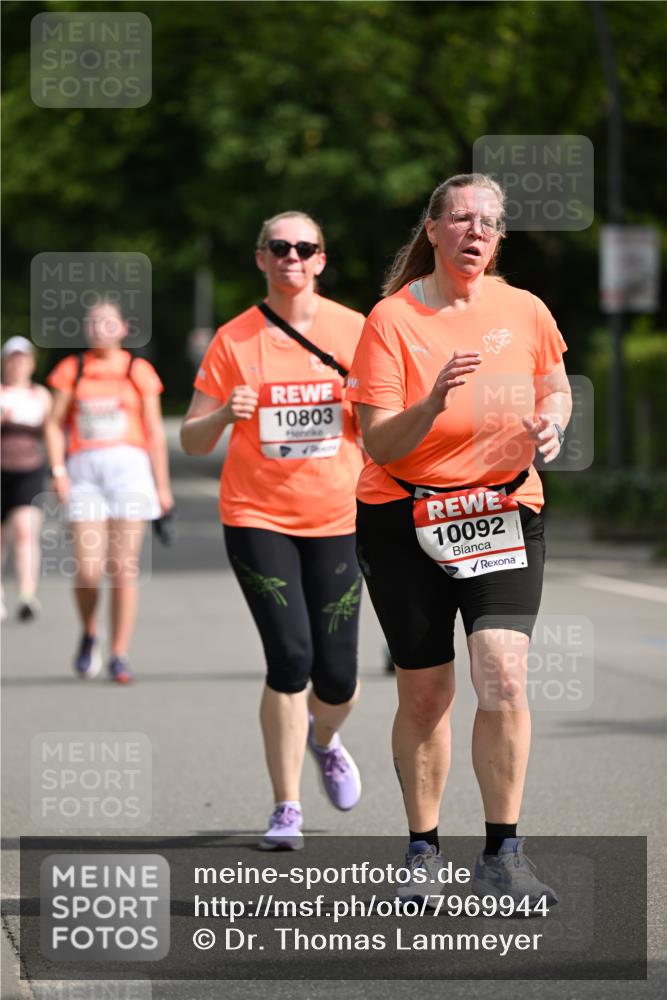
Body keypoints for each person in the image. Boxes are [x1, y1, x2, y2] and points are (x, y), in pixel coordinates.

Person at [346, 173, 572, 906]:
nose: (476, 231)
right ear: (434, 230)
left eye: (490, 222)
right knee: (425, 692)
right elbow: (379, 442)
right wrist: (432, 399)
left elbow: (555, 385)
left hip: (504, 510)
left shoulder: (524, 309)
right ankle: (422, 849)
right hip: (404, 516)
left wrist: (554, 422)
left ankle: (504, 850)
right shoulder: (391, 319)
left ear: (498, 238)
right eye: (462, 218)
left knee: (502, 673)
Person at [181, 211, 365, 849]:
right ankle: (286, 808)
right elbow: (192, 438)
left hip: (339, 516)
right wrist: (224, 415)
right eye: (279, 247)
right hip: (257, 516)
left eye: (304, 247)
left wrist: (360, 405)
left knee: (338, 675)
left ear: (320, 259)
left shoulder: (355, 330)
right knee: (291, 658)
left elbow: (382, 427)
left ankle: (324, 737)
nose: (291, 256)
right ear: (261, 258)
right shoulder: (234, 339)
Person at [45, 300, 174, 683]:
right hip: (85, 470)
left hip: (130, 471)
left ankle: (119, 652)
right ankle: (90, 632)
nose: (99, 329)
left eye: (107, 322)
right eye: (93, 323)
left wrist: (162, 486)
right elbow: (53, 424)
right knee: (87, 569)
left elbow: (153, 433)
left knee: (123, 567)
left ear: (122, 328)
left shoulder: (138, 371)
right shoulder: (73, 369)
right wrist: (57, 471)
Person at [1, 336, 52, 621]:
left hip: (28, 470)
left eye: (22, 359)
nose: (17, 364)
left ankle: (26, 593)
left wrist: (59, 469)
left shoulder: (40, 395)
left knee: (24, 530)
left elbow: (53, 434)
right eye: (12, 359)